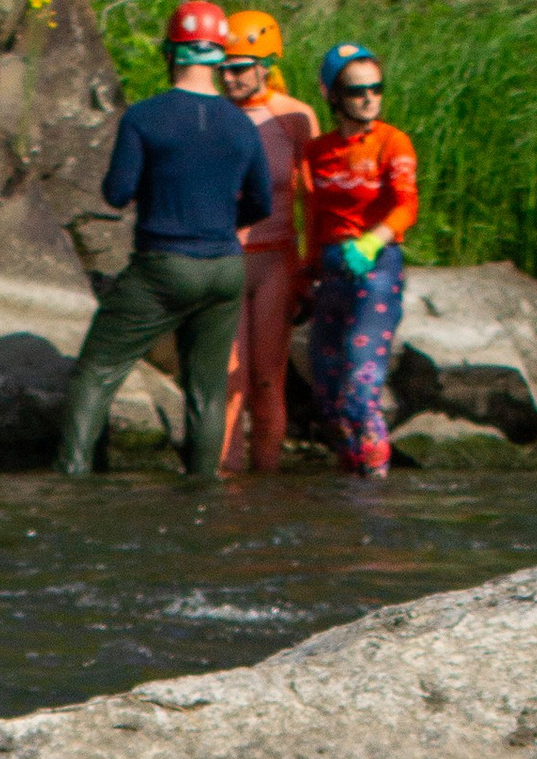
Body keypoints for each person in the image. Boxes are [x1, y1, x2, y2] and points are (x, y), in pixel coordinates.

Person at [55, 0, 272, 482]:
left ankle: (70, 485)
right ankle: (200, 496)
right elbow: (262, 202)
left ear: (171, 51)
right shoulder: (242, 124)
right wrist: (217, 219)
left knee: (97, 372)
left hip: (163, 266)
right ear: (219, 54)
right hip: (225, 268)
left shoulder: (145, 117)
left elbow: (116, 194)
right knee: (207, 391)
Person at [294, 41, 416, 477]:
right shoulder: (317, 151)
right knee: (326, 388)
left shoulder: (392, 141)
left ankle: (376, 486)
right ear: (332, 96)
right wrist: (305, 273)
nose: (368, 98)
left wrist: (372, 242)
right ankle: (353, 475)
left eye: (376, 89)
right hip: (331, 271)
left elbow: (407, 205)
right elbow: (312, 214)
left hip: (377, 268)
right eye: (356, 91)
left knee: (361, 384)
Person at [219, 13, 316, 474]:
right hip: (225, 260)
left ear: (265, 65)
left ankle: (267, 479)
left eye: (240, 67)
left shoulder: (294, 118)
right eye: (224, 67)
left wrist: (309, 269)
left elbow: (313, 201)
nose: (230, 77)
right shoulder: (213, 116)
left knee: (266, 379)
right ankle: (224, 477)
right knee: (227, 378)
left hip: (277, 259)